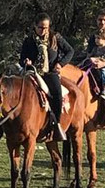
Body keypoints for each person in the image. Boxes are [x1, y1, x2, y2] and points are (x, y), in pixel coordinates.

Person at [20, 13, 72, 141]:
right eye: (40, 27)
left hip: (50, 73)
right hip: (33, 72)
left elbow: (70, 51)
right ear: (35, 26)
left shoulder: (55, 37)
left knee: (56, 93)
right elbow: (22, 58)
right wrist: (26, 62)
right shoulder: (29, 40)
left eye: (46, 28)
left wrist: (61, 64)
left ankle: (56, 124)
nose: (43, 30)